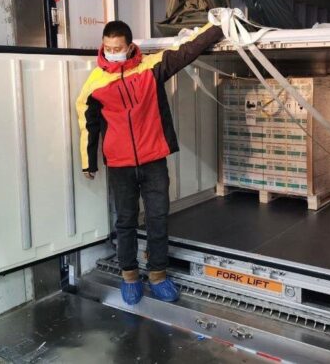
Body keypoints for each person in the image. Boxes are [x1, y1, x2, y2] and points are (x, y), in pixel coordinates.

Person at [75, 19, 223, 305]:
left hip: (153, 159)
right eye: (108, 48)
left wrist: (219, 27)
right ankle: (130, 276)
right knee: (126, 221)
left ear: (130, 47)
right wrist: (88, 161)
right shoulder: (95, 83)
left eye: (117, 48)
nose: (112, 53)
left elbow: (187, 50)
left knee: (158, 218)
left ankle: (158, 275)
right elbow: (87, 123)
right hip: (120, 164)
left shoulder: (151, 68)